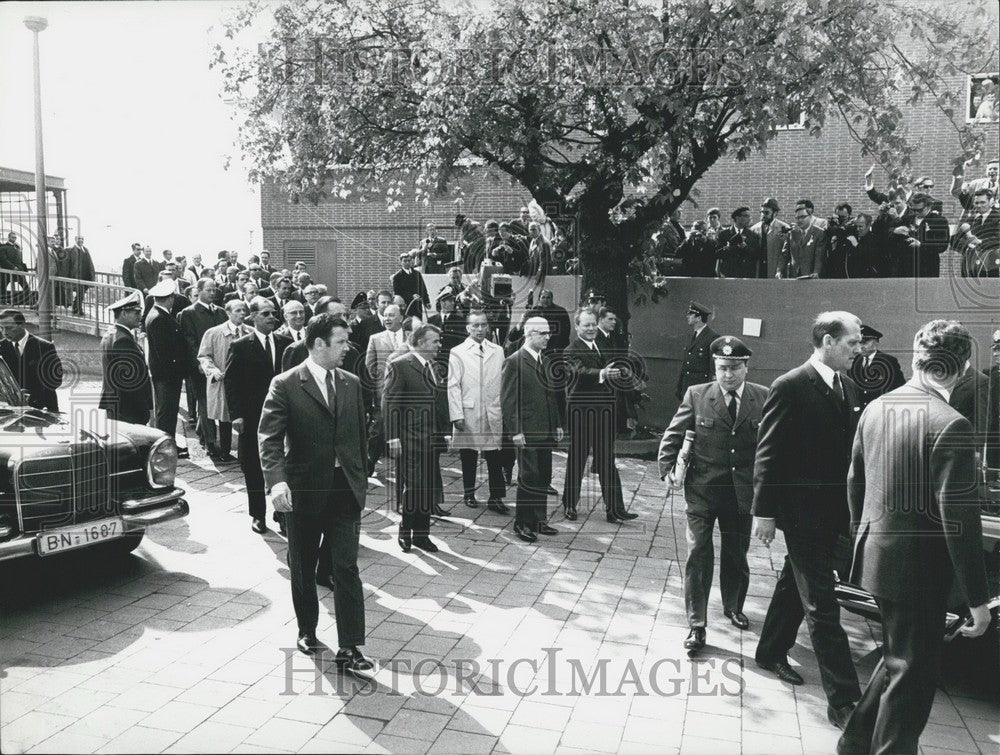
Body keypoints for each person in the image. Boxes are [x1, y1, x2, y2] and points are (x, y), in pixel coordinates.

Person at [837, 320, 991, 754]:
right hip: (920, 574)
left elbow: (855, 482)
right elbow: (959, 520)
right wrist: (978, 601)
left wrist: (863, 543)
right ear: (959, 367)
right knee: (913, 677)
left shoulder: (878, 405)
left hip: (877, 561)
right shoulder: (951, 424)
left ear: (916, 358)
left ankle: (852, 744)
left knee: (897, 661)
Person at [752, 311, 864, 730]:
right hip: (800, 514)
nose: (858, 349)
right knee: (822, 604)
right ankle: (844, 701)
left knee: (794, 583)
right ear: (828, 341)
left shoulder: (849, 387)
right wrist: (764, 513)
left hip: (834, 512)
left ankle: (768, 652)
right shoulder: (791, 385)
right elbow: (768, 453)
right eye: (852, 342)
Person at [257, 314, 373, 669]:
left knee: (345, 566)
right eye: (340, 342)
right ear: (319, 344)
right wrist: (277, 481)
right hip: (303, 491)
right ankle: (307, 628)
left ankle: (351, 647)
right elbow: (269, 438)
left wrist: (360, 473)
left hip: (344, 490)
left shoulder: (352, 383)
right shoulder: (286, 383)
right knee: (303, 565)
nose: (347, 348)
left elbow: (358, 435)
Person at [659, 336, 766, 652]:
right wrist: (667, 468)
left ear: (745, 367)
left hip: (741, 493)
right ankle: (697, 624)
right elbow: (673, 434)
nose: (728, 375)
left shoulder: (763, 397)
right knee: (699, 554)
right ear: (715, 367)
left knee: (736, 554)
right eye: (722, 368)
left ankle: (733, 607)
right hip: (703, 491)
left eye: (734, 368)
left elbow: (771, 446)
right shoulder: (697, 395)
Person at [560, 308, 636, 523]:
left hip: (604, 413)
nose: (592, 328)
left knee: (606, 461)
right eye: (586, 325)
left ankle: (615, 509)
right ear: (577, 327)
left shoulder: (603, 345)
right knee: (577, 459)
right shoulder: (570, 350)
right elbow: (579, 372)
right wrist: (603, 374)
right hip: (581, 414)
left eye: (594, 324)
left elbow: (612, 369)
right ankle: (569, 505)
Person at [225, 297, 292, 534]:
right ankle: (257, 514)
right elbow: (231, 383)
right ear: (252, 317)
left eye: (273, 313)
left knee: (282, 464)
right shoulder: (241, 345)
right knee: (253, 466)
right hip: (253, 416)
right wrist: (236, 415)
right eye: (265, 314)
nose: (272, 317)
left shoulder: (286, 343)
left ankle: (282, 513)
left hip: (282, 416)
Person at [384, 323, 450, 553]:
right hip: (409, 439)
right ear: (420, 343)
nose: (439, 345)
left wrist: (446, 432)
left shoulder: (435, 367)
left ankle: (422, 536)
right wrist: (392, 438)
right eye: (435, 341)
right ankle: (405, 528)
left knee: (427, 488)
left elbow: (441, 402)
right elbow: (390, 404)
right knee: (413, 487)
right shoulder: (400, 366)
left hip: (431, 440)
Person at [502, 316, 564, 542]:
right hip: (526, 431)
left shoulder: (545, 361)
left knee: (543, 475)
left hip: (545, 429)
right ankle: (522, 523)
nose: (548, 337)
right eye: (543, 333)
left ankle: (538, 519)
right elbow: (509, 401)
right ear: (529, 334)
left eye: (548, 333)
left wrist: (557, 423)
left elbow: (552, 396)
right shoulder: (514, 361)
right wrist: (516, 431)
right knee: (528, 476)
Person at [448, 310, 509, 513]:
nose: (480, 329)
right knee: (469, 454)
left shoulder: (498, 350)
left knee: (494, 456)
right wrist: (457, 414)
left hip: (492, 408)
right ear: (468, 328)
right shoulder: (457, 352)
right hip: (469, 409)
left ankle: (496, 497)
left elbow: (502, 381)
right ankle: (469, 493)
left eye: (483, 325)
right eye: (475, 325)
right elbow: (453, 385)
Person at [178, 279, 227, 456]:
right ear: (198, 291)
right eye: (208, 290)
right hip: (200, 367)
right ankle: (211, 443)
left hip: (220, 365)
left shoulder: (221, 313)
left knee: (220, 402)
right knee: (205, 403)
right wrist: (200, 363)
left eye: (214, 290)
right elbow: (189, 342)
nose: (212, 293)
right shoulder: (188, 313)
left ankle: (211, 436)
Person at [197, 299, 248, 463]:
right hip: (223, 382)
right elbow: (204, 356)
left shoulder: (250, 332)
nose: (242, 314)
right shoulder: (213, 333)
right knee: (224, 417)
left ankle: (245, 454)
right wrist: (213, 371)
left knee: (246, 416)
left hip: (246, 383)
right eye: (238, 310)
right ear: (228, 313)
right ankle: (225, 452)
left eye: (243, 310)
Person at [144, 280, 189, 456]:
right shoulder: (159, 318)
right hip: (167, 375)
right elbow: (164, 352)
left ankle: (167, 444)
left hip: (166, 374)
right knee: (166, 412)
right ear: (169, 299)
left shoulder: (156, 314)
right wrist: (178, 371)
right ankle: (164, 446)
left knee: (168, 412)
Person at [98, 292, 152, 425]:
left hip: (116, 404)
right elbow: (132, 381)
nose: (140, 317)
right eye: (136, 313)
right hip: (128, 408)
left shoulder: (110, 335)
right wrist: (145, 407)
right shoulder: (123, 340)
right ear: (123, 314)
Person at [365, 304, 406, 475]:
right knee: (378, 431)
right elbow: (369, 367)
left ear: (401, 318)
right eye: (386, 315)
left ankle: (404, 469)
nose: (387, 319)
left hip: (407, 393)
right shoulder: (376, 338)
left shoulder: (410, 337)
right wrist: (374, 394)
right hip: (384, 393)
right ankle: (368, 466)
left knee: (404, 430)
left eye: (391, 315)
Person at [0, 309, 63, 411]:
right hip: (9, 409)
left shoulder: (45, 347)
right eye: (1, 328)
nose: (4, 333)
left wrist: (32, 393)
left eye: (9, 328)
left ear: (22, 325)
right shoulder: (1, 347)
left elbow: (55, 379)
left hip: (42, 407)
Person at [848, 324, 906, 409]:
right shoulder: (854, 362)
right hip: (860, 414)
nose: (861, 347)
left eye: (865, 342)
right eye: (859, 342)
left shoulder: (889, 362)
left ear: (876, 341)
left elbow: (899, 389)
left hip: (881, 411)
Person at [675, 301, 718, 401]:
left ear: (698, 318)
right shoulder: (691, 336)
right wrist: (680, 386)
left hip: (701, 388)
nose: (687, 316)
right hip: (687, 386)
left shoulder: (712, 337)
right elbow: (686, 363)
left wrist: (710, 391)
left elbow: (713, 368)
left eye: (690, 314)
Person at [953, 188, 1000, 278]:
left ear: (991, 202)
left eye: (982, 202)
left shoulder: (998, 218)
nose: (979, 206)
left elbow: (998, 238)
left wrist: (980, 242)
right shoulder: (969, 219)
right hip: (970, 263)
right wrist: (968, 244)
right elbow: (954, 241)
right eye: (976, 203)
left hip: (993, 263)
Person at [778, 201, 828, 278]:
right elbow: (784, 255)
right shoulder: (792, 233)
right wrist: (779, 271)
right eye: (797, 218)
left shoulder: (819, 233)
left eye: (803, 217)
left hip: (811, 276)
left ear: (810, 217)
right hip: (794, 275)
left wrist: (816, 272)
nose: (800, 220)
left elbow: (819, 256)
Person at [906, 192, 950, 278]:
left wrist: (921, 245)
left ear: (928, 206)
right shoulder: (908, 219)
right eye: (913, 210)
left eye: (919, 210)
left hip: (928, 266)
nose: (916, 213)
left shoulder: (939, 221)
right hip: (908, 265)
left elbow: (942, 245)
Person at [716, 207, 762, 278]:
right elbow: (717, 254)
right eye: (746, 216)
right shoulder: (724, 234)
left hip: (746, 275)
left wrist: (745, 247)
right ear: (737, 217)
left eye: (749, 216)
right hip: (729, 274)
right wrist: (728, 248)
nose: (749, 219)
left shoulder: (753, 235)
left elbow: (757, 254)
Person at [752, 198, 791, 279]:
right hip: (758, 271)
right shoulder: (754, 229)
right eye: (761, 212)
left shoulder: (784, 228)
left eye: (766, 213)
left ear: (775, 213)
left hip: (775, 272)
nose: (763, 215)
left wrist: (780, 270)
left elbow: (786, 253)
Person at [67, 236, 95, 316]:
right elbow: (68, 264)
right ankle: (77, 309)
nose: (81, 240)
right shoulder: (70, 250)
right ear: (75, 240)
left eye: (82, 239)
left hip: (85, 276)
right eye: (79, 239)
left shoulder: (85, 250)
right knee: (80, 293)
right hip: (76, 276)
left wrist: (91, 275)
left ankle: (77, 308)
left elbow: (89, 263)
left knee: (81, 293)